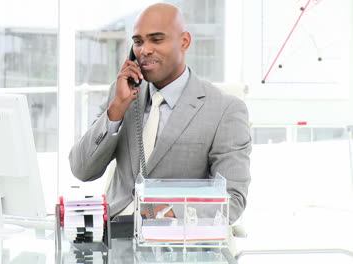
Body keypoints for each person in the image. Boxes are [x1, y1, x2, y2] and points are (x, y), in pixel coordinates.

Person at [69, 3, 251, 225]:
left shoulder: (224, 110)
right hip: (113, 235)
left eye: (156, 40)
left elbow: (232, 201)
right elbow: (81, 170)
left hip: (175, 243)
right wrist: (116, 109)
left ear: (184, 41)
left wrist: (157, 213)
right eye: (138, 42)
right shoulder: (122, 97)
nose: (144, 50)